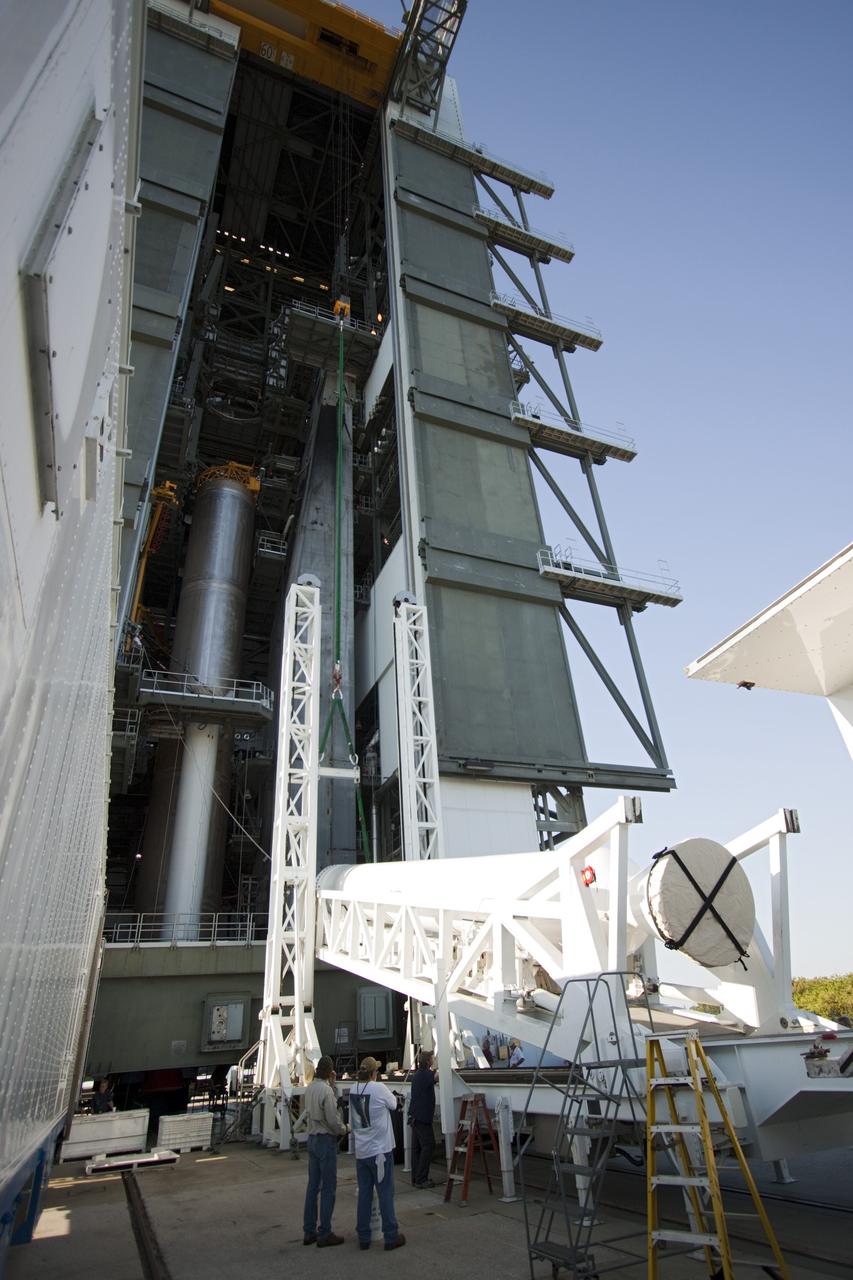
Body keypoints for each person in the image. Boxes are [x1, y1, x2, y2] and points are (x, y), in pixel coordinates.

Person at [349, 1056, 406, 1252]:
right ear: (375, 1073)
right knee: (385, 1193)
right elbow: (393, 1104)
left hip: (362, 1152)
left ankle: (363, 1237)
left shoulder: (354, 1089)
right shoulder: (378, 1088)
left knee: (364, 1194)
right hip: (380, 1152)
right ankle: (391, 1236)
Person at [302, 1056, 347, 1247]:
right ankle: (325, 1232)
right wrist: (345, 1129)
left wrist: (333, 1085)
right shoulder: (326, 1092)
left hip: (312, 1140)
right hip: (325, 1142)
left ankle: (309, 1231)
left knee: (313, 1186)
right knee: (328, 1187)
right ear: (330, 1072)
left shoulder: (310, 1088)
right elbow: (333, 1120)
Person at [409, 1049, 436, 1189]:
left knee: (417, 1148)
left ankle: (416, 1177)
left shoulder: (417, 1075)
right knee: (428, 1145)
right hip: (422, 1117)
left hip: (415, 1116)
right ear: (427, 1061)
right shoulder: (426, 1075)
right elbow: (436, 1077)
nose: (433, 1059)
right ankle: (421, 1179)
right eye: (432, 1058)